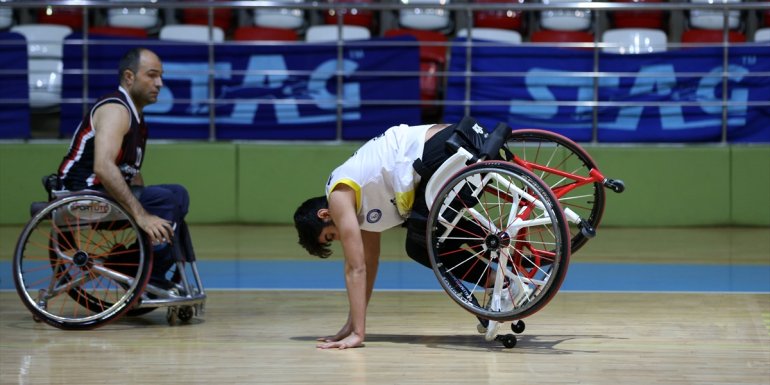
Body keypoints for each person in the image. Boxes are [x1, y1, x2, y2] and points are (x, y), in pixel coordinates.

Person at [294, 117, 496, 350]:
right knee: (429, 235)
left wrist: (358, 334)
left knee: (420, 245)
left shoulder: (338, 196)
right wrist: (352, 324)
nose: (339, 239)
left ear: (324, 214)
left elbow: (355, 268)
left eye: (331, 236)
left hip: (447, 147)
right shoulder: (361, 206)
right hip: (464, 139)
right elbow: (369, 263)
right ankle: (512, 270)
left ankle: (494, 280)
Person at [57, 47, 194, 285]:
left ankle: (131, 263)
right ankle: (138, 271)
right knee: (164, 199)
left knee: (177, 194)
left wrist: (147, 208)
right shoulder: (115, 110)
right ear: (129, 77)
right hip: (81, 194)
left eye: (161, 76)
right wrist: (142, 215)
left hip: (102, 194)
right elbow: (103, 167)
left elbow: (132, 173)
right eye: (152, 75)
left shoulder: (136, 116)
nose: (160, 83)